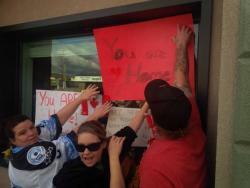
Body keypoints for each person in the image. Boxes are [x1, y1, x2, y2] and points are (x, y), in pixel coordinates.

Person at [0, 84, 111, 188]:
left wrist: (81, 98)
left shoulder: (25, 142)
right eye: (22, 133)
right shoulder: (32, 157)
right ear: (12, 141)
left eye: (31, 127)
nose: (31, 133)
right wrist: (95, 115)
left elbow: (55, 121)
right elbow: (69, 141)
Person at [139, 25, 207, 188]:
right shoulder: (193, 125)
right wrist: (182, 45)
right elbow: (181, 76)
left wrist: (181, 44)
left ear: (153, 120)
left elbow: (181, 78)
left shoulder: (153, 166)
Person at [53, 102, 149, 188]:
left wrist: (147, 104)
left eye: (92, 146)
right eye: (81, 147)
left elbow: (131, 128)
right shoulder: (70, 174)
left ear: (103, 144)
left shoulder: (110, 149)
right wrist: (114, 158)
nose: (86, 152)